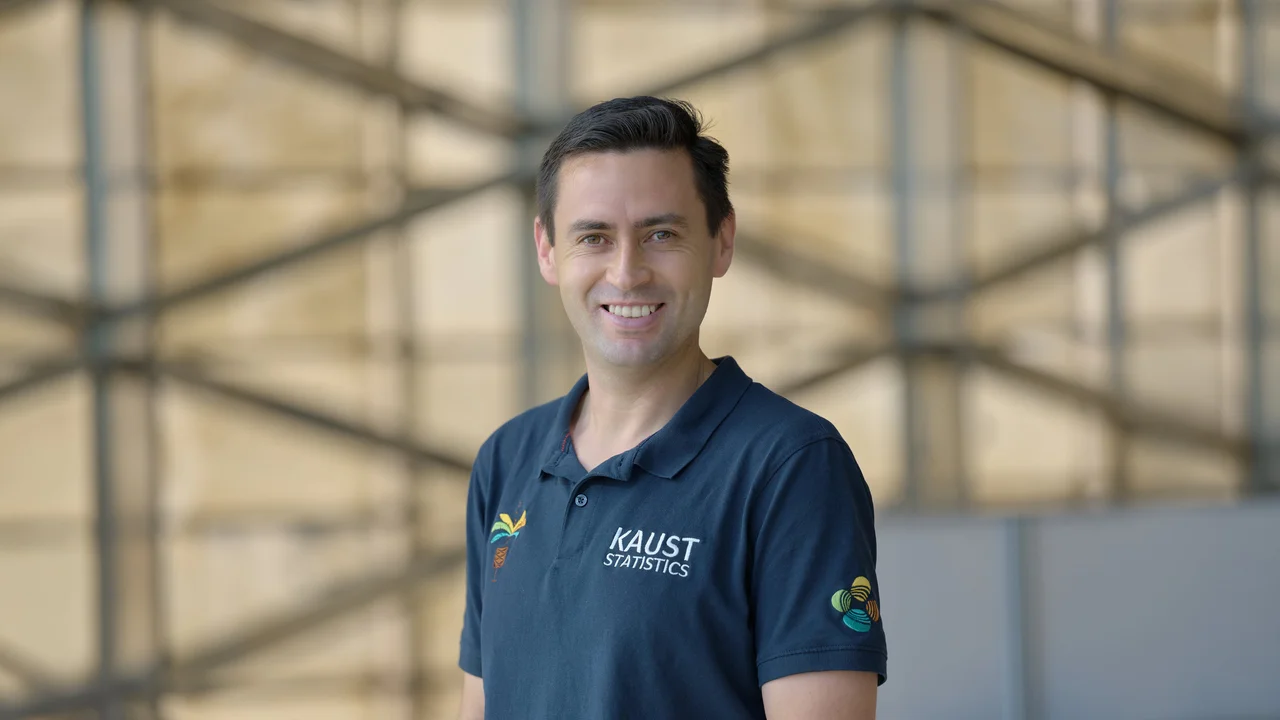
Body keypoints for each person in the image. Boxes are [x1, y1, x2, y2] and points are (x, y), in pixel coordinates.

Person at [457, 96, 886, 720]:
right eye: (594, 237)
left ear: (721, 241)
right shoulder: (507, 459)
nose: (627, 273)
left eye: (661, 235)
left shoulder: (790, 467)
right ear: (547, 250)